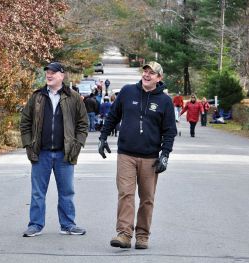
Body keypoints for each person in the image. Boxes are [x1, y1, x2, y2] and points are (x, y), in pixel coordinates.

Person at [98, 61, 177, 249]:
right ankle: (124, 234)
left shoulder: (165, 101)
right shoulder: (127, 92)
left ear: (159, 78)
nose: (147, 75)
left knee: (147, 198)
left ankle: (142, 236)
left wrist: (165, 154)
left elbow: (169, 131)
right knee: (126, 193)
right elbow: (113, 116)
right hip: (126, 154)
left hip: (150, 157)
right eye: (145, 71)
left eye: (152, 73)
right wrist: (103, 137)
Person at [20, 62, 89, 237]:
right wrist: (29, 145)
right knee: (37, 193)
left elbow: (83, 124)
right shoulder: (37, 97)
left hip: (65, 154)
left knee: (67, 192)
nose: (49, 75)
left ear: (62, 75)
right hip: (40, 153)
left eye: (53, 72)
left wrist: (77, 145)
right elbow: (25, 122)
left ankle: (68, 225)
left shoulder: (73, 97)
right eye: (47, 72)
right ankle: (35, 225)